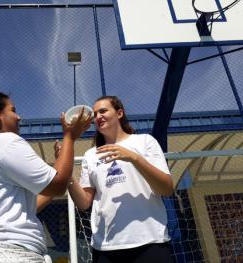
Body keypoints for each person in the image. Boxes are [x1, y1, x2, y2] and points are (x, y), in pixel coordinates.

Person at [0, 91, 91, 263]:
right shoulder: (4, 141)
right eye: (13, 110)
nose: (19, 117)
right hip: (7, 254)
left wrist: (59, 166)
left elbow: (32, 205)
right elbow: (58, 185)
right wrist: (70, 137)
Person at [67, 96, 174, 263]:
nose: (98, 117)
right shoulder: (90, 155)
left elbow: (166, 189)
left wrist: (134, 158)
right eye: (95, 114)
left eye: (103, 111)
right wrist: (67, 175)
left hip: (149, 241)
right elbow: (84, 203)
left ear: (119, 113)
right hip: (106, 247)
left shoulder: (145, 141)